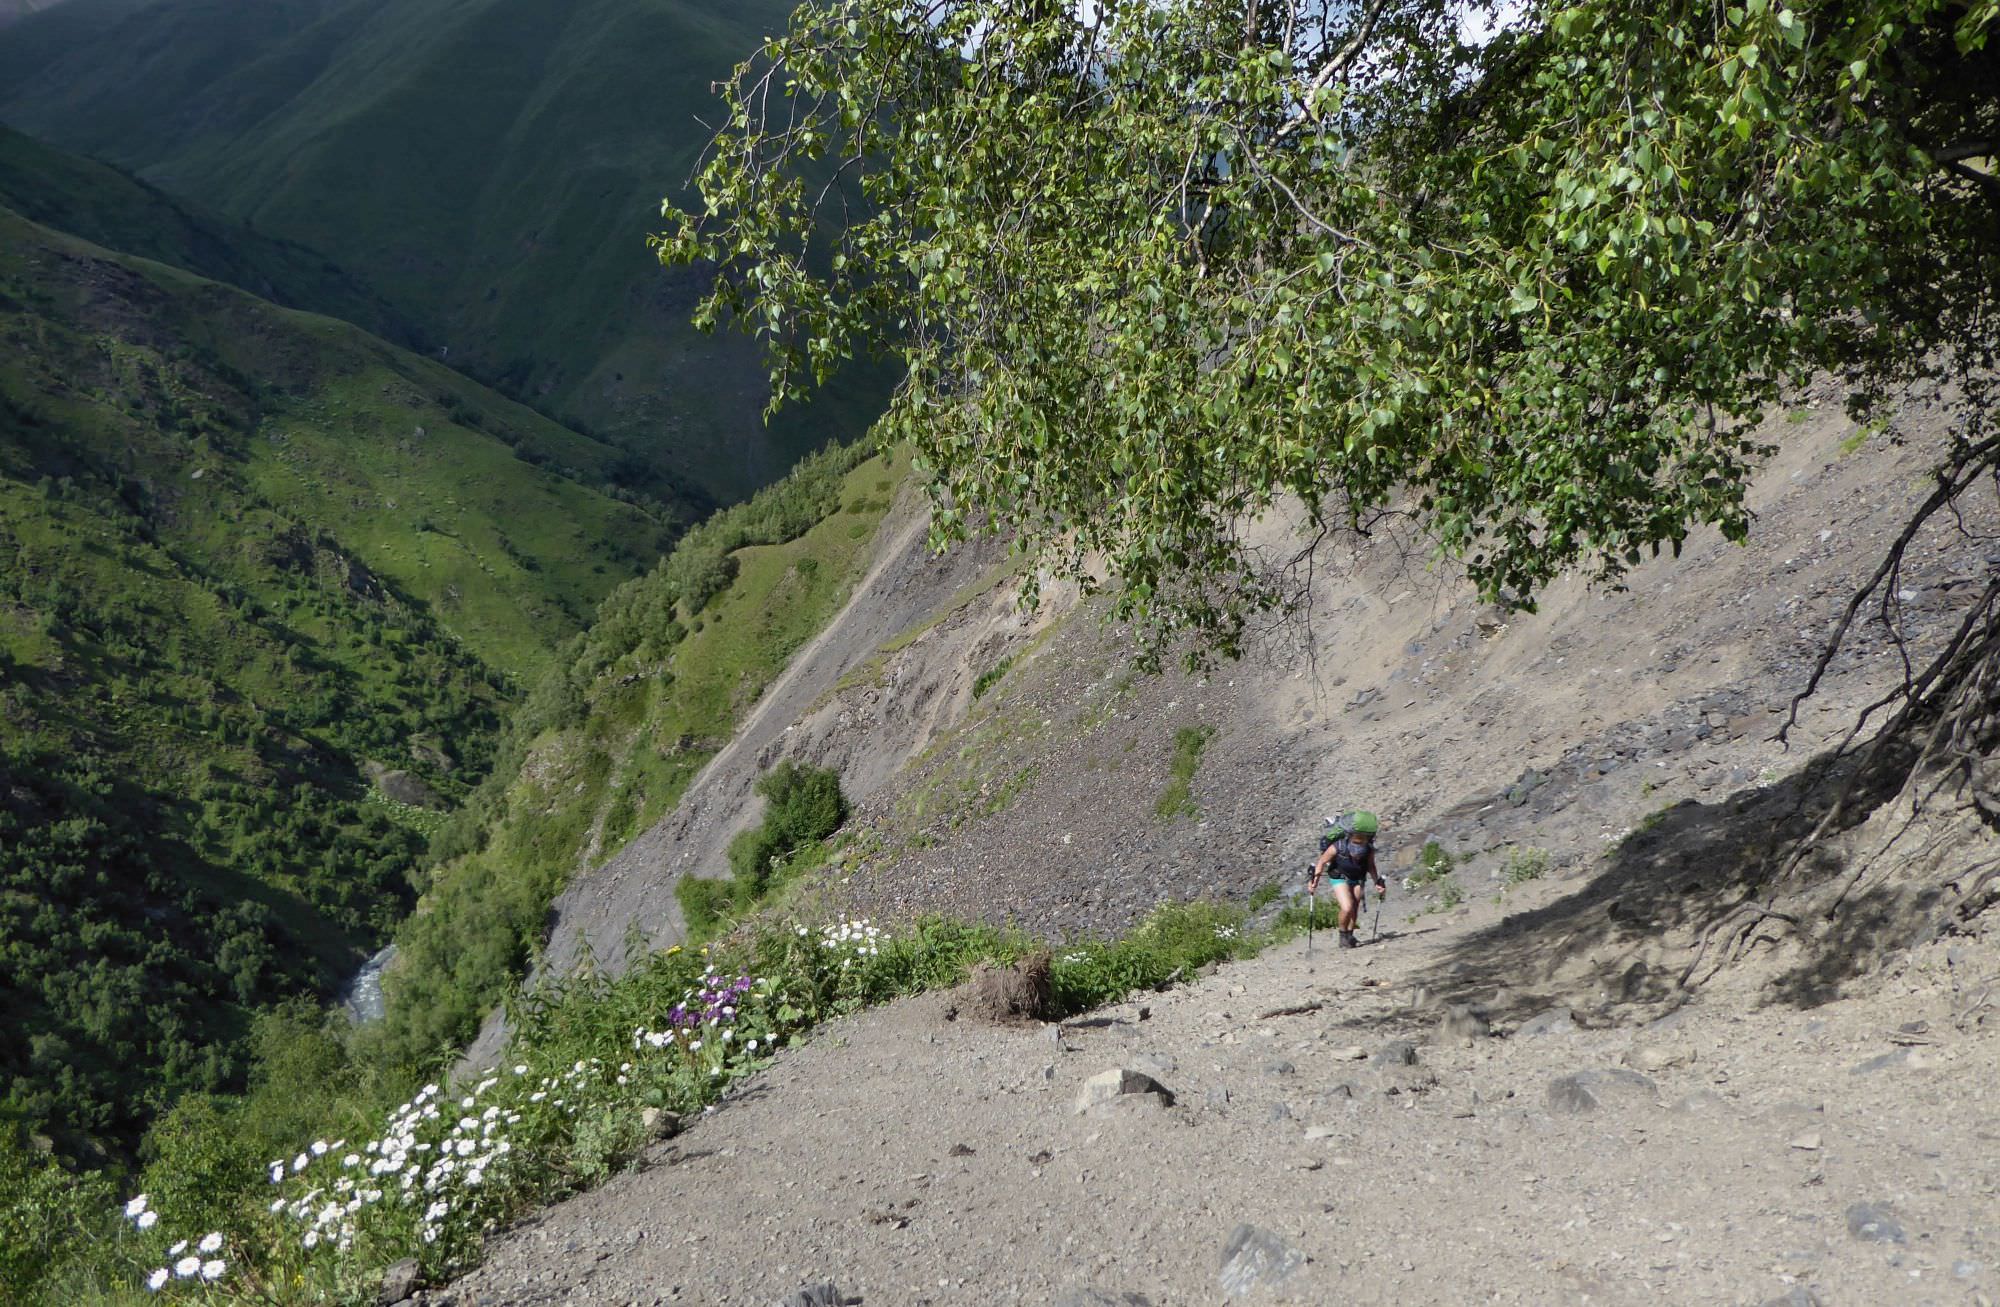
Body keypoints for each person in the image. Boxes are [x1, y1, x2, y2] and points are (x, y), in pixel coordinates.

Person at [1309, 811, 1386, 948]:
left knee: (1355, 907)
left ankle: (1350, 936)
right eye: (1358, 838)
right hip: (1339, 876)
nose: (1361, 841)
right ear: (1350, 835)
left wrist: (1377, 882)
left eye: (1364, 838)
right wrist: (1314, 881)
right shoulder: (1338, 846)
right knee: (1347, 907)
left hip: (1357, 878)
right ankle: (1343, 935)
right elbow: (1321, 862)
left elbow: (1370, 866)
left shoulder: (1368, 849)